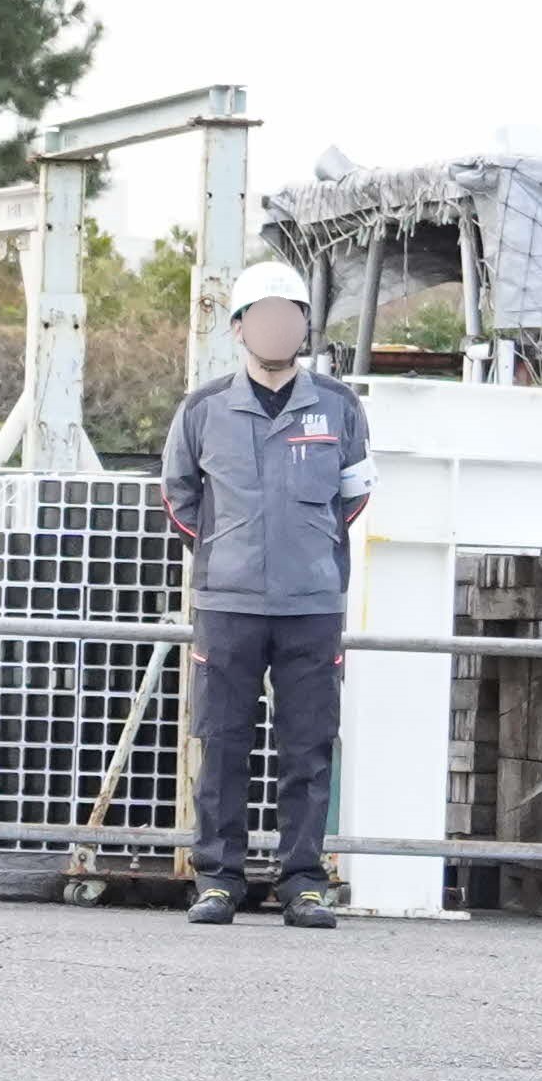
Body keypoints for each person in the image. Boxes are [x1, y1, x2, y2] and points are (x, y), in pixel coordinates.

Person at [155, 256, 374, 930]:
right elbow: (178, 497)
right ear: (240, 328)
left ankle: (304, 883)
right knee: (223, 745)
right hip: (227, 605)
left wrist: (308, 550)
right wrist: (227, 550)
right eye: (264, 317)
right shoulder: (203, 409)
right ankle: (218, 881)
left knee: (308, 747)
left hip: (312, 606)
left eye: (291, 316)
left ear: (304, 327)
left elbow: (355, 493)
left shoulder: (338, 406)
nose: (279, 328)